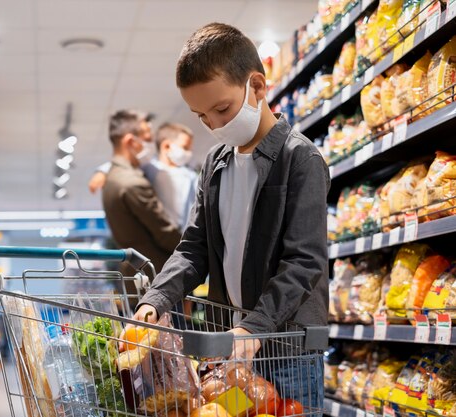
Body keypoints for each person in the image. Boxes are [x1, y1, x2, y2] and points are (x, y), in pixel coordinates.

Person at [126, 23, 330, 408]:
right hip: (229, 352)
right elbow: (194, 248)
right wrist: (156, 299)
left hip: (286, 355)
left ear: (256, 85)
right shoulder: (215, 164)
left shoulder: (299, 159)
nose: (215, 125)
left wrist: (252, 327)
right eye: (202, 116)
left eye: (222, 108)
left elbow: (305, 262)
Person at [101, 109, 182, 305]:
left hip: (136, 277)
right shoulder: (132, 183)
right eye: (146, 138)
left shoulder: (112, 178)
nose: (150, 144)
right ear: (130, 141)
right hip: (157, 282)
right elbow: (164, 232)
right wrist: (196, 251)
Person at [147, 123, 198, 231]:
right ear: (166, 146)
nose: (189, 153)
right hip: (159, 236)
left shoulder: (191, 176)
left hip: (184, 238)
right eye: (185, 147)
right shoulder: (149, 171)